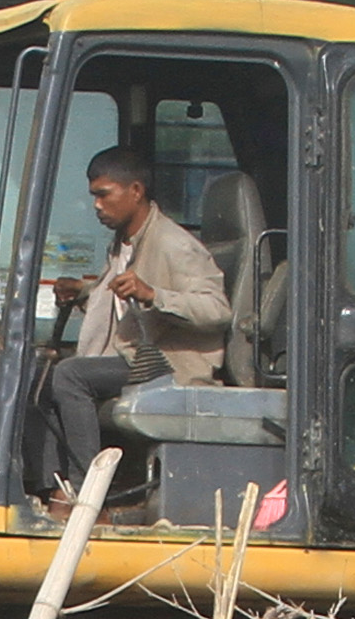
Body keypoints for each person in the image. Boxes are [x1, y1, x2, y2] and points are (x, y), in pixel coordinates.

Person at [31, 145, 229, 505]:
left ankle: (90, 495)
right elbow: (121, 304)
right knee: (40, 375)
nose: (96, 206)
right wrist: (84, 292)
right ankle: (52, 489)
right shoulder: (123, 244)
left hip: (165, 366)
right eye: (93, 196)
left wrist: (154, 294)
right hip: (134, 357)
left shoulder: (174, 244)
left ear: (135, 191)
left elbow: (216, 310)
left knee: (71, 375)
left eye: (104, 195)